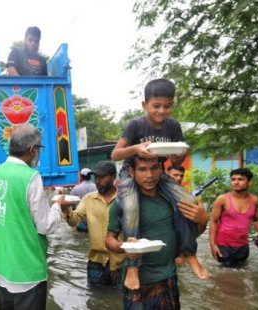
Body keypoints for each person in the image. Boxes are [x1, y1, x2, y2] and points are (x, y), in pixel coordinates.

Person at [110, 78, 209, 283]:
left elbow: (176, 160)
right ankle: (133, 266)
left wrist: (180, 154)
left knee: (188, 202)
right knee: (130, 207)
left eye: (167, 106)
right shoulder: (136, 125)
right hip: (130, 173)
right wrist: (136, 148)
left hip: (159, 172)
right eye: (156, 106)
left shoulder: (173, 127)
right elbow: (115, 154)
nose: (162, 111)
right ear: (145, 105)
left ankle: (188, 252)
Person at [105, 155, 208, 309]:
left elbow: (190, 235)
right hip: (137, 284)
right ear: (132, 172)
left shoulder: (174, 200)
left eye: (154, 168)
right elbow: (109, 240)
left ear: (162, 169)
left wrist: (203, 220)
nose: (149, 175)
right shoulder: (122, 203)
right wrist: (126, 248)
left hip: (169, 279)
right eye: (142, 169)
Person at [0, 124, 62, 309]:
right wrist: (57, 206)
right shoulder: (31, 177)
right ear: (32, 150)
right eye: (39, 149)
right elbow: (45, 226)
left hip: (0, 267)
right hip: (27, 272)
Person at [62, 161, 125, 287]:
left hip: (121, 262)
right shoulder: (88, 199)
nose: (97, 181)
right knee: (95, 299)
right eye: (96, 177)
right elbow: (74, 220)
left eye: (102, 177)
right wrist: (65, 208)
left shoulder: (124, 199)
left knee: (121, 299)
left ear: (113, 177)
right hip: (96, 262)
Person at [210, 168, 258, 268]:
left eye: (240, 179)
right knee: (225, 276)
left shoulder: (254, 200)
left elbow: (257, 219)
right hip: (223, 246)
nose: (236, 182)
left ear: (249, 182)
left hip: (243, 246)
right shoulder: (222, 199)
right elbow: (214, 222)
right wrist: (212, 245)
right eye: (233, 179)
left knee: (241, 274)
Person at [70, 168, 98, 232]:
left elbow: (72, 207)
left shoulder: (75, 189)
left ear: (81, 177)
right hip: (94, 221)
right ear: (90, 176)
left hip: (80, 222)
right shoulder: (96, 187)